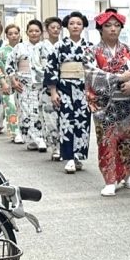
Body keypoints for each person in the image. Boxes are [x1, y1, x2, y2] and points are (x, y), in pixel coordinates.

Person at [86, 9, 130, 197]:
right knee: (106, 140)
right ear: (100, 29)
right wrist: (119, 77)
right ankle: (110, 179)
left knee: (127, 140)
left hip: (126, 103)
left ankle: (126, 174)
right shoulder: (92, 51)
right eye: (108, 26)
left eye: (117, 26)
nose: (113, 29)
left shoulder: (128, 50)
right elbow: (91, 74)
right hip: (104, 104)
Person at [45, 12, 94, 173]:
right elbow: (51, 68)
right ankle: (69, 157)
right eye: (72, 23)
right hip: (64, 87)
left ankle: (79, 156)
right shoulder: (59, 46)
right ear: (66, 26)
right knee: (66, 122)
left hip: (83, 89)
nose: (75, 26)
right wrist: (53, 91)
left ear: (83, 26)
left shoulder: (90, 47)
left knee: (83, 122)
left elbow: (94, 71)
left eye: (78, 23)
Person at [5, 20, 52, 152]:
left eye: (37, 31)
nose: (34, 33)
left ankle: (41, 138)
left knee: (40, 111)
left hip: (42, 83)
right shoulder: (19, 47)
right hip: (24, 83)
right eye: (31, 31)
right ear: (26, 33)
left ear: (41, 33)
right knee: (26, 112)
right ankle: (32, 139)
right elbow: (9, 64)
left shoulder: (46, 47)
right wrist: (13, 81)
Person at [0, 24, 22, 144]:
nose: (13, 36)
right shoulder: (1, 52)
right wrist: (3, 82)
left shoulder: (24, 49)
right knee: (11, 108)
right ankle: (14, 133)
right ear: (6, 36)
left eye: (16, 33)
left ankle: (24, 132)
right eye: (10, 34)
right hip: (7, 82)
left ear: (19, 34)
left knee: (23, 108)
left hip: (22, 82)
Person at [42, 16, 62, 160]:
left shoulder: (64, 45)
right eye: (52, 27)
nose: (55, 30)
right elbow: (36, 67)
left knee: (63, 119)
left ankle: (63, 147)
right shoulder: (40, 47)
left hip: (64, 86)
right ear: (47, 29)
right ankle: (55, 147)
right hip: (46, 87)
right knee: (50, 119)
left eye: (58, 27)